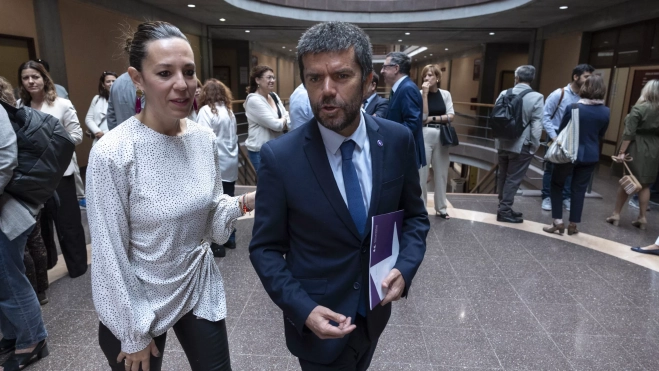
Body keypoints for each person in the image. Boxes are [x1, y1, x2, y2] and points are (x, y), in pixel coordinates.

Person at [249, 21, 429, 371]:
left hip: (374, 314)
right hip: (319, 325)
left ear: (369, 82)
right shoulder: (281, 158)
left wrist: (405, 268)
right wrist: (303, 309)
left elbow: (415, 218)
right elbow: (265, 249)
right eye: (314, 78)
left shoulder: (395, 141)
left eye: (342, 76)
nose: (326, 90)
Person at [86, 21, 255, 371]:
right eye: (165, 73)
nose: (183, 85)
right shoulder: (114, 153)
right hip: (137, 294)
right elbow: (109, 255)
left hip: (195, 280)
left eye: (189, 71)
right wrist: (133, 333)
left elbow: (208, 216)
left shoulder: (202, 138)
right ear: (137, 79)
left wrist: (243, 203)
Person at [17, 60, 87, 278]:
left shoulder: (61, 104)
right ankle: (47, 264)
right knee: (41, 224)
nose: (30, 81)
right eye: (26, 78)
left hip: (59, 173)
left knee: (68, 222)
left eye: (35, 77)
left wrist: (48, 143)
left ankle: (78, 266)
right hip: (33, 175)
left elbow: (77, 136)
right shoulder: (20, 106)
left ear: (44, 78)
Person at [0, 104, 50, 371]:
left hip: (6, 211)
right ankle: (12, 336)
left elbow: (6, 158)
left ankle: (32, 340)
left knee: (8, 278)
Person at [0, 76, 50, 306]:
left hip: (16, 190)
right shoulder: (16, 110)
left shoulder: (6, 115)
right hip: (29, 184)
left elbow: (7, 159)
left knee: (22, 248)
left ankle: (34, 293)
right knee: (34, 240)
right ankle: (41, 290)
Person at [544, 75, 609, 236]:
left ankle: (557, 221)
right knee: (579, 190)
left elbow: (562, 132)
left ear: (585, 88)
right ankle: (573, 224)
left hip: (569, 153)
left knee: (557, 185)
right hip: (590, 155)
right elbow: (601, 134)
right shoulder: (606, 112)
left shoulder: (574, 108)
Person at [606, 79, 659, 231]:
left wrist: (622, 152)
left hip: (636, 147)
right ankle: (642, 218)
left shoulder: (638, 109)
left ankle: (616, 214)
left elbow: (629, 134)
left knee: (627, 181)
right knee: (645, 184)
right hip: (654, 149)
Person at [541, 64, 595, 211]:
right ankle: (547, 197)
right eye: (586, 77)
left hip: (574, 136)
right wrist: (554, 137)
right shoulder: (559, 94)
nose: (588, 80)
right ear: (575, 77)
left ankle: (565, 197)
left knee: (570, 168)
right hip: (556, 135)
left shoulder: (586, 97)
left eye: (590, 77)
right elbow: (545, 117)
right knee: (551, 168)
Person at [495, 65, 544, 223]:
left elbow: (497, 116)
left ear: (516, 78)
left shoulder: (504, 93)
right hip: (521, 144)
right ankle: (505, 210)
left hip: (502, 141)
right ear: (532, 78)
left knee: (503, 175)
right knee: (514, 178)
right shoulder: (536, 97)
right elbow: (537, 125)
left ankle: (503, 206)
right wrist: (535, 145)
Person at [197, 78, 239, 256]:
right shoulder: (230, 112)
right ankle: (231, 238)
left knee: (215, 205)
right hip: (231, 162)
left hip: (216, 165)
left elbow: (203, 139)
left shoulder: (206, 111)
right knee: (231, 201)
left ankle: (217, 244)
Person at [418, 64, 455, 219]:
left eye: (431, 75)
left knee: (441, 173)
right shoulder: (419, 93)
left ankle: (441, 207)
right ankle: (421, 208)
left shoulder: (445, 94)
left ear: (438, 78)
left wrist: (434, 118)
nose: (427, 78)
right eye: (425, 75)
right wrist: (425, 95)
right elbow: (422, 117)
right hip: (424, 135)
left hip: (442, 135)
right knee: (422, 173)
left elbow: (451, 115)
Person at [382, 52, 426, 169]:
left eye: (385, 67)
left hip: (405, 155)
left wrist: (388, 134)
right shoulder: (401, 88)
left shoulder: (407, 89)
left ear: (396, 68)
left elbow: (412, 124)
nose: (382, 71)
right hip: (401, 153)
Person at [244, 65, 289, 172]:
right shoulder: (253, 100)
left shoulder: (273, 96)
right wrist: (283, 120)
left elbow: (287, 116)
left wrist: (282, 120)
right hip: (260, 151)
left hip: (276, 147)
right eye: (269, 77)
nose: (272, 80)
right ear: (258, 80)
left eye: (273, 78)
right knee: (268, 184)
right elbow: (276, 125)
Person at [85, 71, 118, 145]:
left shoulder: (121, 99)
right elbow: (89, 119)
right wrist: (97, 132)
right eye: (108, 81)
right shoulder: (97, 99)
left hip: (115, 139)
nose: (111, 84)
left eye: (114, 81)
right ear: (103, 84)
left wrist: (105, 134)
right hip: (98, 139)